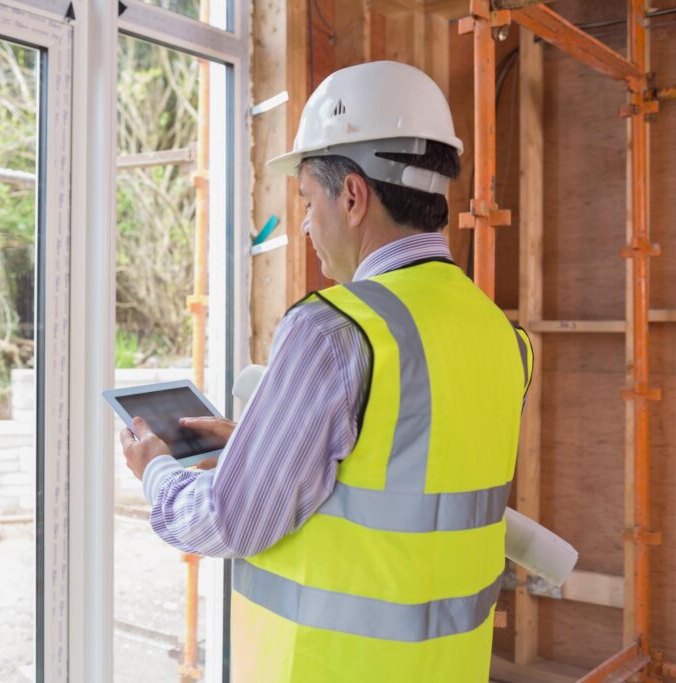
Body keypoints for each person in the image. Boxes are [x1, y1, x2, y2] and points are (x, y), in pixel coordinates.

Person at [120, 60, 533, 682]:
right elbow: (406, 474)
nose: (307, 225)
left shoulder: (336, 328)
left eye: (308, 201)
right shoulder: (502, 334)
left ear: (352, 195)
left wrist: (154, 471)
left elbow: (232, 519)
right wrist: (259, 444)